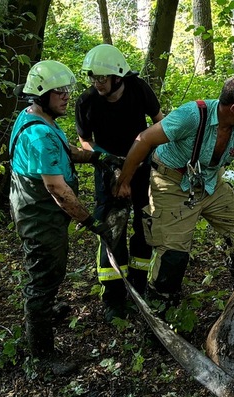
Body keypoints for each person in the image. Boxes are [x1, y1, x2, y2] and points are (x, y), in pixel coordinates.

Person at [115, 75, 234, 310]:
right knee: (172, 259)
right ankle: (159, 313)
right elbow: (144, 139)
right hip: (172, 184)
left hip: (210, 183)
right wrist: (124, 181)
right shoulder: (192, 116)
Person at [10, 60, 123, 374]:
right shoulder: (38, 136)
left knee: (50, 268)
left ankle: (45, 312)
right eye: (59, 92)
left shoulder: (39, 118)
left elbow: (66, 150)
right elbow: (58, 190)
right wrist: (93, 222)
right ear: (41, 94)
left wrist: (97, 156)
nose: (66, 96)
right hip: (40, 214)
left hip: (36, 209)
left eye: (67, 90)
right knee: (44, 275)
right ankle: (42, 356)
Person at [76, 44, 165, 323]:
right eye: (93, 77)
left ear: (118, 77)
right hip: (107, 172)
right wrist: (111, 168)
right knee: (111, 232)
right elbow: (85, 141)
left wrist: (147, 160)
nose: (96, 83)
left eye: (101, 78)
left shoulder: (139, 89)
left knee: (145, 225)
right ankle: (114, 298)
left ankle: (140, 286)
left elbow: (159, 123)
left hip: (142, 168)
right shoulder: (86, 102)